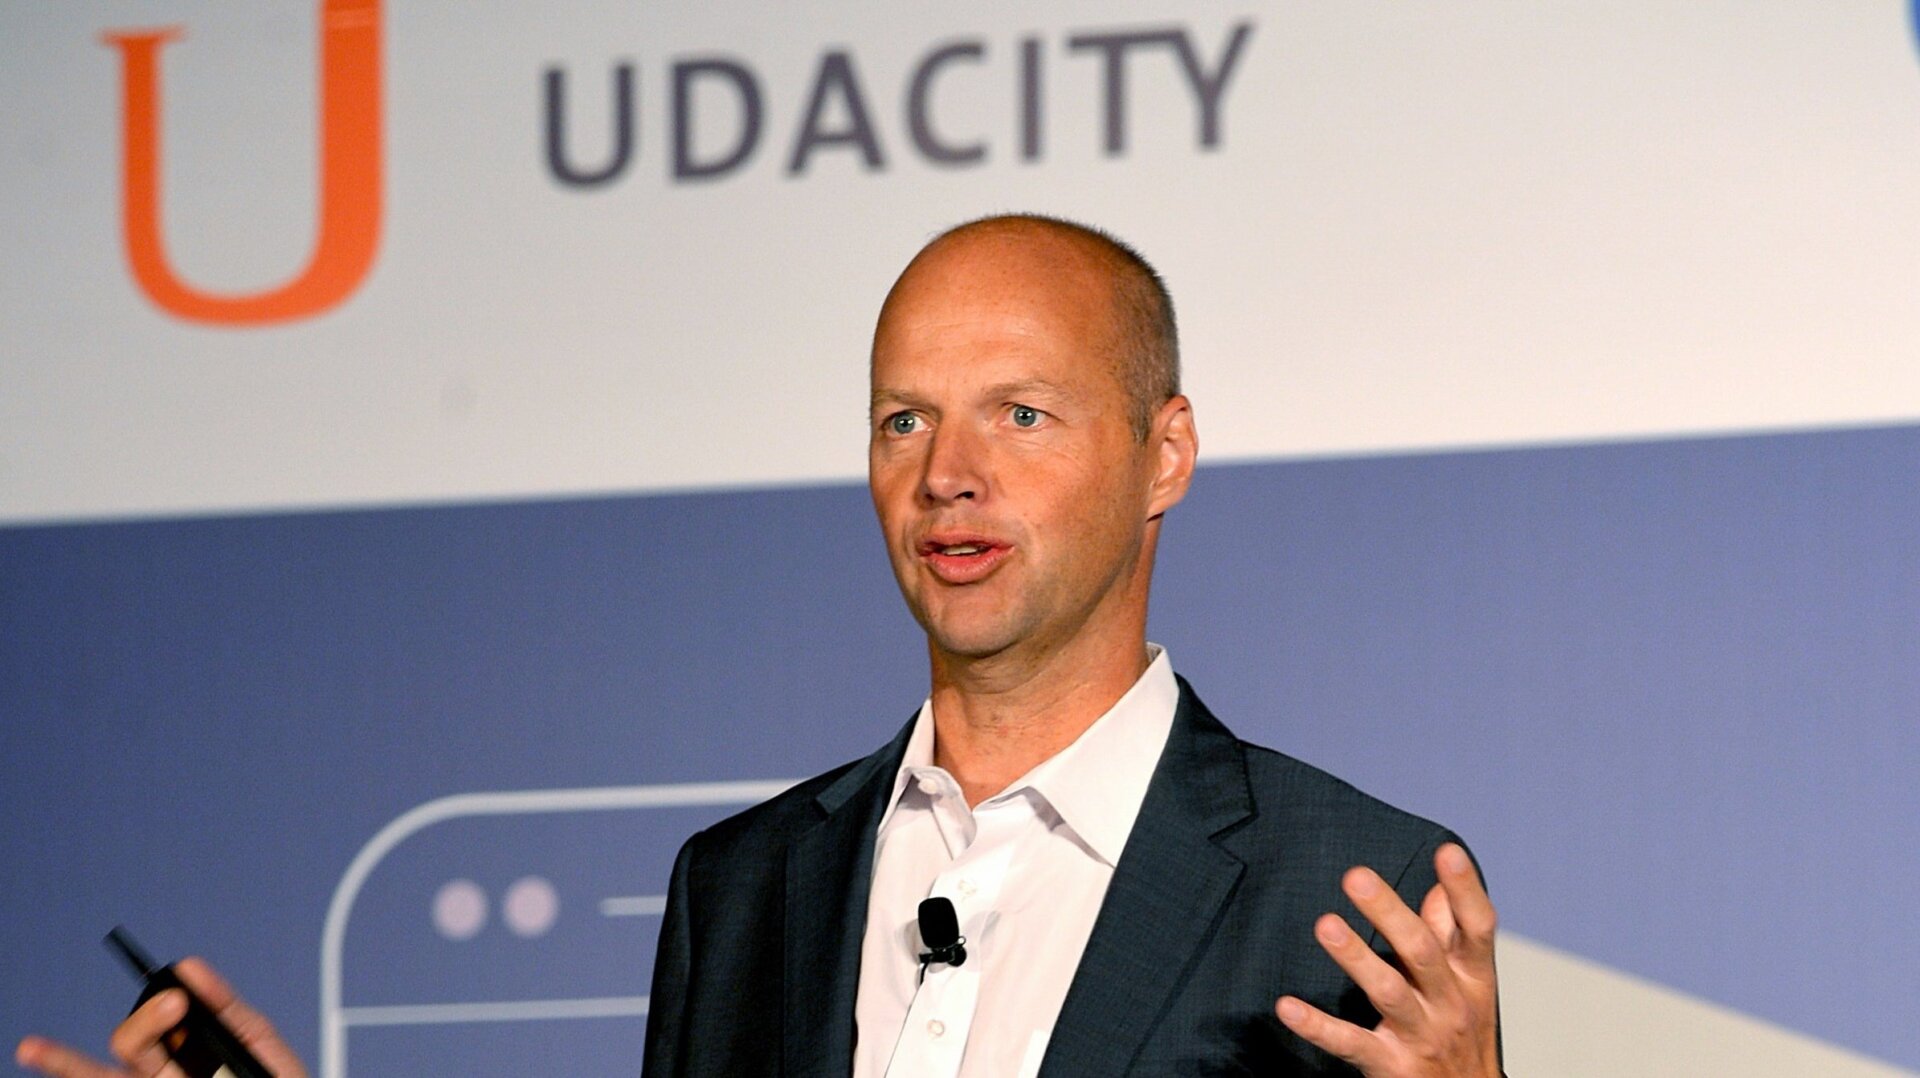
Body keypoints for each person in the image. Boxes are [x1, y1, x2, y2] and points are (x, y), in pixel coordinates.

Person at [16, 215, 1502, 1078]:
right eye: (904, 419)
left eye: (1021, 414)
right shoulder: (742, 890)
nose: (949, 474)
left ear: (1164, 453)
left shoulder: (1356, 889)